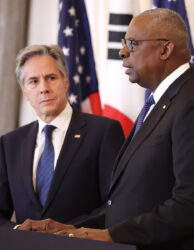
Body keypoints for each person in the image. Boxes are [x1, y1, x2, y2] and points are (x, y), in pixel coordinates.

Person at [18, 9, 194, 250]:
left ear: (165, 49)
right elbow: (131, 204)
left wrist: (110, 237)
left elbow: (192, 206)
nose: (122, 52)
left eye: (132, 44)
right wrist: (73, 230)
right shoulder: (161, 104)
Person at [0, 45, 125, 227]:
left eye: (51, 78)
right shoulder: (10, 143)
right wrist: (21, 231)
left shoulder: (103, 132)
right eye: (33, 81)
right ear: (24, 92)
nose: (44, 88)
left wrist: (68, 231)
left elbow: (117, 204)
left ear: (66, 82)